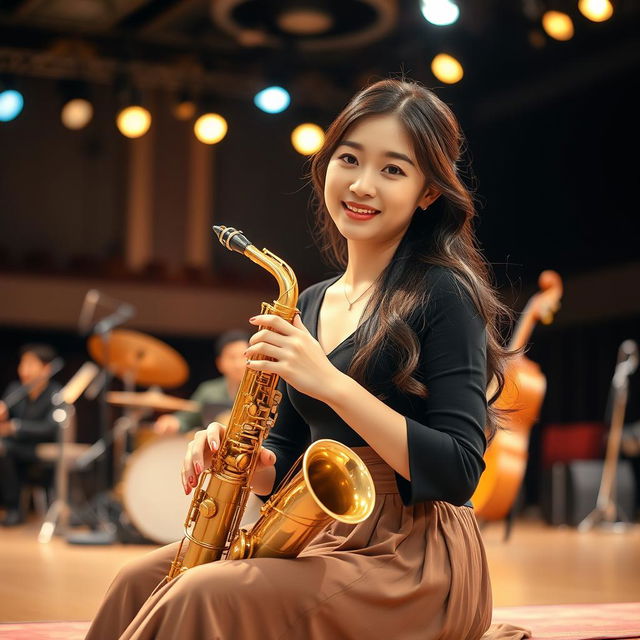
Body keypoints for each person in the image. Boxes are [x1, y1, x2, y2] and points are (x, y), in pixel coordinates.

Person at [85, 79, 530, 639]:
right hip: (319, 533)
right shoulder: (310, 301)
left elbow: (459, 472)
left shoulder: (444, 293)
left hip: (413, 558)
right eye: (349, 159)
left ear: (428, 192)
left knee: (203, 592)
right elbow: (286, 452)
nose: (362, 185)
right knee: (137, 578)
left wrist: (330, 382)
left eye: (393, 169)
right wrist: (249, 462)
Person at [0, 343, 61, 526]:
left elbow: (51, 428)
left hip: (39, 449)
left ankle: (13, 508)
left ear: (46, 369)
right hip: (16, 447)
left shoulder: (56, 394)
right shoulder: (15, 390)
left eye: (31, 365)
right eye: (22, 364)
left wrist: (15, 427)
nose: (24, 370)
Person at [152, 330, 249, 434]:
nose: (238, 364)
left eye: (244, 356)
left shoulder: (261, 390)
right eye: (231, 357)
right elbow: (187, 417)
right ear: (220, 363)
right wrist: (174, 422)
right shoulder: (208, 390)